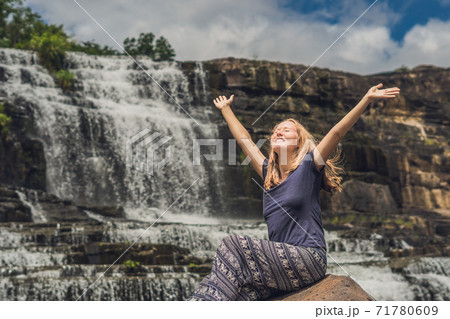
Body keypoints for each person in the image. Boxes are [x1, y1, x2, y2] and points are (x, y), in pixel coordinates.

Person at [187, 83, 400, 301]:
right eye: (275, 130)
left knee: (231, 244)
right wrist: (225, 109)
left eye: (286, 130)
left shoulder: (309, 166)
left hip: (309, 258)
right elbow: (244, 140)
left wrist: (366, 99)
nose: (278, 131)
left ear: (298, 142)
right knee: (240, 295)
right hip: (279, 267)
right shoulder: (267, 174)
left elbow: (336, 132)